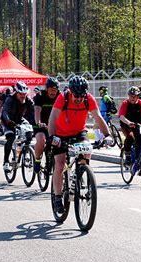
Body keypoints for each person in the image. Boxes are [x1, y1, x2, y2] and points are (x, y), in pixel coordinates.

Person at [47, 75, 113, 213]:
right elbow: (52, 119)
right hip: (60, 133)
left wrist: (107, 135)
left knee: (87, 150)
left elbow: (98, 118)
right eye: (75, 96)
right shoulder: (62, 98)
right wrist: (53, 137)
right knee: (59, 163)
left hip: (78, 132)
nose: (78, 99)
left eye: (81, 96)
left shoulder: (89, 99)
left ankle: (83, 173)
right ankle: (58, 196)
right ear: (71, 92)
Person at [1, 81, 35, 171]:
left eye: (24, 94)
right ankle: (6, 162)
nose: (23, 96)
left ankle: (26, 151)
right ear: (16, 92)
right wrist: (8, 121)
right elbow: (5, 111)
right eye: (20, 94)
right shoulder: (10, 99)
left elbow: (34, 108)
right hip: (7, 121)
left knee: (29, 131)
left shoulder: (27, 99)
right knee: (11, 138)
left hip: (19, 119)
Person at [118, 86, 141, 166]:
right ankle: (127, 155)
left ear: (138, 96)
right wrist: (128, 123)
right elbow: (121, 116)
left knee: (140, 140)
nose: (132, 98)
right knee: (130, 137)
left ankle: (139, 161)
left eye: (134, 96)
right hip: (126, 124)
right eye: (130, 96)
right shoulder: (125, 103)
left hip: (137, 125)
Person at [33, 77, 60, 173]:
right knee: (41, 140)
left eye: (55, 90)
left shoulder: (60, 96)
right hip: (41, 124)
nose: (53, 92)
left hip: (53, 124)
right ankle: (37, 160)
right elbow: (37, 110)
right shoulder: (40, 95)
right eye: (51, 90)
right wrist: (38, 122)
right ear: (46, 89)